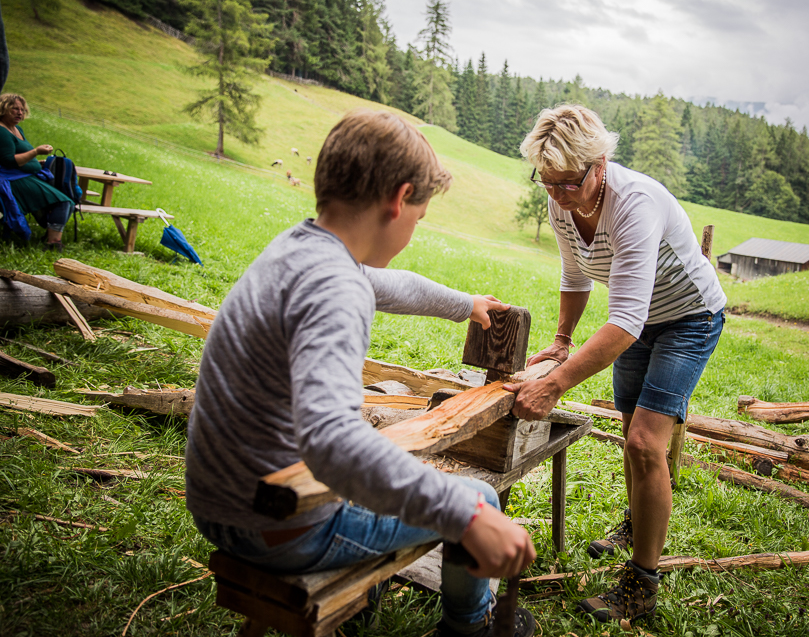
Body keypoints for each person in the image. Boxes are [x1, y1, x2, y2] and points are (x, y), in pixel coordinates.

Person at [185, 109, 537, 637]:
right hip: (276, 526)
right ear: (399, 199)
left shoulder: (301, 250)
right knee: (479, 498)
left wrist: (466, 304)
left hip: (218, 500)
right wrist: (464, 516)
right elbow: (331, 440)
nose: (414, 230)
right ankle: (473, 628)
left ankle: (370, 600)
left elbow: (392, 284)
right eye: (419, 217)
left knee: (397, 476)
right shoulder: (336, 288)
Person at [505, 105, 726, 624]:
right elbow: (575, 274)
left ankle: (642, 584)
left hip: (689, 319)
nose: (557, 195)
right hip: (639, 321)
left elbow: (624, 322)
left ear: (599, 163)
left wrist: (555, 385)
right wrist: (561, 341)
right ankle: (638, 521)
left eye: (567, 183)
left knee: (645, 443)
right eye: (547, 182)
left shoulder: (634, 203)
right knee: (631, 432)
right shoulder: (563, 199)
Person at [0, 93, 73, 251]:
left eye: (22, 109)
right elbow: (9, 161)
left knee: (66, 201)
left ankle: (49, 236)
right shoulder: (2, 131)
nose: (20, 112)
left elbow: (21, 155)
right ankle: (53, 243)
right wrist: (36, 152)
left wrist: (37, 162)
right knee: (63, 202)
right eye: (14, 109)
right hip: (14, 179)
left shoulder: (16, 129)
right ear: (3, 109)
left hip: (26, 175)